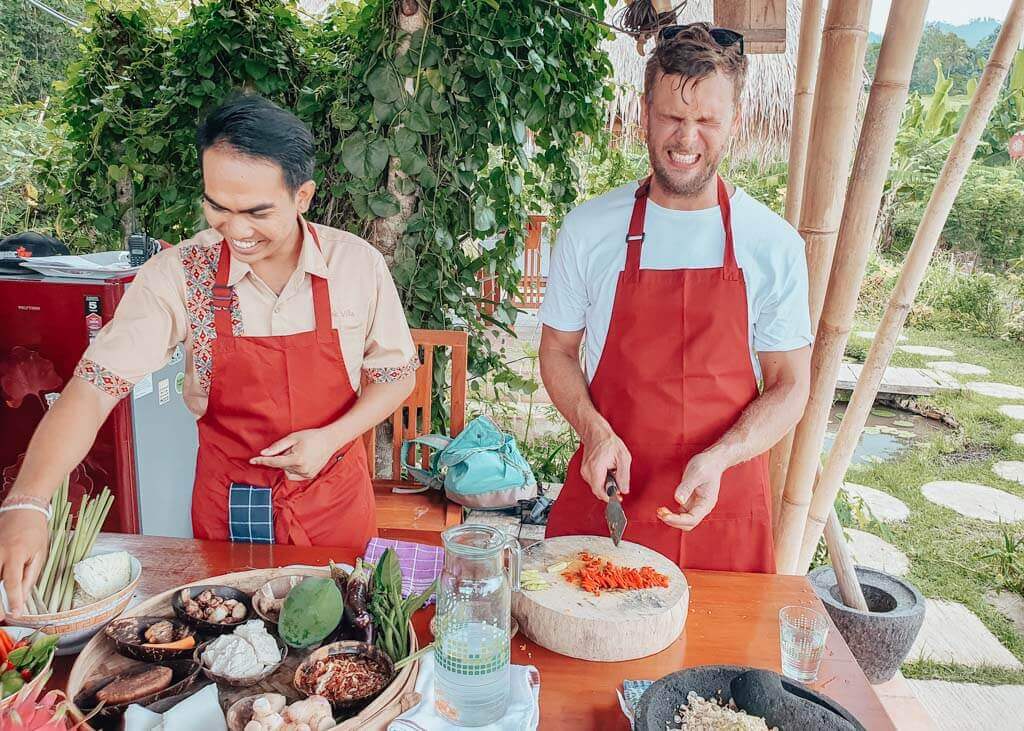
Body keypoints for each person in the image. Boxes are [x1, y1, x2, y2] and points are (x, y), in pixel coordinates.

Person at [0, 94, 420, 617]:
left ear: (303, 196)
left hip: (332, 495)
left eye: (256, 212)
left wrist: (332, 436)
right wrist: (28, 500)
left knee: (338, 634)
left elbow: (395, 376)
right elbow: (93, 387)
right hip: (229, 501)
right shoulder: (183, 274)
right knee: (230, 638)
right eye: (217, 206)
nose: (236, 230)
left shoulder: (355, 267)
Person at [538, 24, 812, 572]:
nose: (687, 139)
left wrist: (722, 457)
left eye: (706, 121)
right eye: (672, 117)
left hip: (721, 508)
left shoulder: (772, 242)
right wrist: (594, 431)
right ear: (645, 113)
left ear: (734, 121)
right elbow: (557, 352)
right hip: (609, 501)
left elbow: (790, 385)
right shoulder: (590, 229)